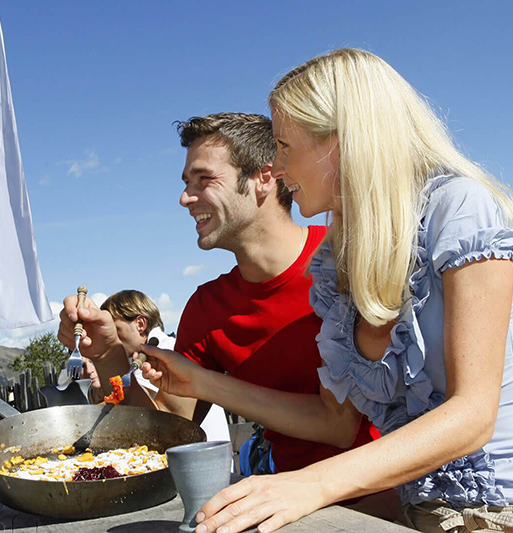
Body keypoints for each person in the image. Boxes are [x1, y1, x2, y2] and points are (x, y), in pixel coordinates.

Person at [191, 48, 513, 533]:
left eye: (283, 145)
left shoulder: (458, 208)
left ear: (340, 141)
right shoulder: (337, 260)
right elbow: (334, 419)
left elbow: (472, 417)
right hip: (417, 516)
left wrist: (312, 484)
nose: (276, 168)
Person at [59, 112, 375, 475]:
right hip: (278, 504)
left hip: (386, 506)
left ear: (264, 177)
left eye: (203, 179)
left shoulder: (345, 262)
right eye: (185, 182)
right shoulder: (206, 308)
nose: (184, 198)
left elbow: (340, 425)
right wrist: (109, 356)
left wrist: (209, 384)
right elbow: (167, 430)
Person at [98, 289, 230, 443]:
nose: (111, 338)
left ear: (140, 324)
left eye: (115, 330)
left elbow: (135, 410)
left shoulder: (160, 354)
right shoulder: (169, 347)